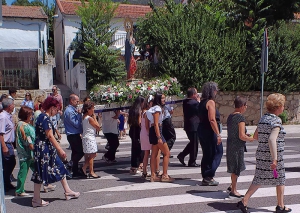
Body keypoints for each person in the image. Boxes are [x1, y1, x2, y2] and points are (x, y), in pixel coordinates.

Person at [237, 93, 291, 213]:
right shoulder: (276, 120)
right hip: (273, 156)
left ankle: (244, 201)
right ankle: (280, 206)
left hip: (261, 154)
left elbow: (256, 135)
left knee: (259, 179)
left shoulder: (263, 118)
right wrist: (275, 159)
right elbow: (272, 139)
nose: (283, 108)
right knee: (280, 179)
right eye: (283, 105)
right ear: (278, 107)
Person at [31, 96, 80, 207]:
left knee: (60, 166)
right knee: (40, 172)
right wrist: (60, 149)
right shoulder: (44, 118)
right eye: (57, 109)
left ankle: (67, 191)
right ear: (52, 107)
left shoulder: (42, 117)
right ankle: (36, 199)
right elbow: (49, 135)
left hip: (45, 148)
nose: (57, 112)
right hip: (44, 149)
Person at [226, 96, 254, 198]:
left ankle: (232, 185)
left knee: (234, 167)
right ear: (242, 106)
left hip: (230, 145)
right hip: (237, 146)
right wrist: (251, 138)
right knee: (236, 168)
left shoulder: (230, 116)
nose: (246, 108)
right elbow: (241, 135)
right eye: (245, 105)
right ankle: (233, 190)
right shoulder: (240, 118)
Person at [198, 82, 223, 186]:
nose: (217, 92)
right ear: (212, 91)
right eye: (216, 90)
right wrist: (217, 134)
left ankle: (206, 176)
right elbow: (212, 119)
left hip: (202, 129)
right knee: (217, 152)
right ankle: (209, 175)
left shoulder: (201, 102)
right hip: (209, 130)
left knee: (207, 153)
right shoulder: (210, 102)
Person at [148, 93, 174, 182]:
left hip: (154, 130)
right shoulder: (158, 108)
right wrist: (159, 136)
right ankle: (165, 175)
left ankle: (153, 175)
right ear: (158, 99)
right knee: (167, 153)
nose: (164, 99)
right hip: (157, 130)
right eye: (162, 98)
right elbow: (156, 123)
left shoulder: (153, 108)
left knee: (154, 154)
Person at [63, 94, 85, 178]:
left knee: (75, 152)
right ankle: (70, 164)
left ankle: (75, 171)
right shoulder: (69, 111)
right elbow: (76, 124)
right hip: (73, 134)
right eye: (76, 101)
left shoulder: (72, 109)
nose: (78, 103)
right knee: (80, 152)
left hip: (73, 134)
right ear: (71, 101)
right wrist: (79, 115)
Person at [177, 87, 200, 167]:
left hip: (189, 125)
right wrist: (199, 101)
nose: (197, 95)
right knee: (194, 144)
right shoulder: (193, 103)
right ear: (193, 94)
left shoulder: (186, 101)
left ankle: (182, 155)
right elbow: (200, 109)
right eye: (196, 93)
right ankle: (192, 161)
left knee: (193, 143)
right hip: (193, 125)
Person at [0, 98, 16, 192]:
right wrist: (4, 146)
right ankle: (4, 184)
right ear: (10, 106)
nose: (14, 106)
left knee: (11, 163)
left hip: (9, 143)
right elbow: (1, 133)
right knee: (9, 163)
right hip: (5, 143)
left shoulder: (8, 116)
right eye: (13, 104)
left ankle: (7, 183)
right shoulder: (3, 117)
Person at [81, 101, 101, 178]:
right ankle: (89, 170)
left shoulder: (84, 117)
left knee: (89, 154)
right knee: (93, 154)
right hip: (90, 138)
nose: (93, 110)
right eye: (92, 108)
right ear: (88, 109)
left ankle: (86, 168)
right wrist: (95, 118)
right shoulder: (89, 118)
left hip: (86, 137)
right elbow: (98, 127)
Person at [128, 96, 145, 174]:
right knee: (141, 148)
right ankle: (140, 165)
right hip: (138, 130)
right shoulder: (139, 111)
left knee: (134, 148)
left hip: (132, 129)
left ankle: (133, 166)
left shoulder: (131, 110)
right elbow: (139, 122)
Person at [140, 95, 154, 179]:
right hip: (147, 134)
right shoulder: (147, 113)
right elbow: (147, 126)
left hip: (143, 133)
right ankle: (149, 171)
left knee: (146, 153)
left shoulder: (143, 112)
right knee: (150, 153)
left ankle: (145, 171)